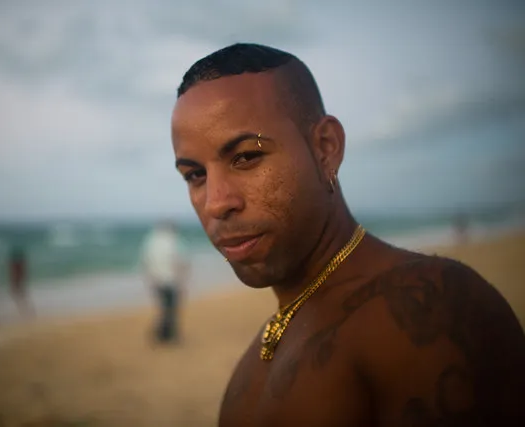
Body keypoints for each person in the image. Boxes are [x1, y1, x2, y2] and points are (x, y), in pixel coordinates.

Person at [171, 43, 525, 426]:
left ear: (325, 148)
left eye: (246, 157)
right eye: (195, 175)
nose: (215, 203)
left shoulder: (426, 309)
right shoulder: (253, 360)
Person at [139, 220, 190, 344]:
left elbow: (145, 261)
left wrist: (149, 279)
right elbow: (182, 261)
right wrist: (183, 279)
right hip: (171, 280)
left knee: (163, 308)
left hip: (157, 280)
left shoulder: (151, 241)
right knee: (171, 309)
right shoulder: (174, 241)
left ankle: (163, 335)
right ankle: (168, 336)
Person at [9, 246, 33, 317]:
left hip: (17, 282)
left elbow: (14, 274)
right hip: (19, 282)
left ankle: (24, 311)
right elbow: (23, 273)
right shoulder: (21, 264)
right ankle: (25, 311)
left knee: (20, 298)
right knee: (22, 297)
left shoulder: (16, 265)